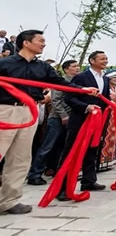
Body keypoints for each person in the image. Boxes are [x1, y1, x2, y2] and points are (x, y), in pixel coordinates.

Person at [0, 30, 96, 214]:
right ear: (26, 43)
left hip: (30, 112)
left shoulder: (43, 67)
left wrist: (83, 89)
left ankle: (9, 201)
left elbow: (60, 82)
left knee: (20, 158)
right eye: (40, 40)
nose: (44, 44)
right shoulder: (4, 64)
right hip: (5, 110)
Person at [56, 51, 111, 201]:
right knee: (71, 152)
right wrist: (86, 107)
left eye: (106, 58)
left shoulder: (105, 79)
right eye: (102, 58)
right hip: (80, 120)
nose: (105, 61)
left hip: (96, 121)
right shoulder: (81, 77)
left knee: (92, 150)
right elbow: (69, 98)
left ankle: (89, 181)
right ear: (92, 60)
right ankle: (62, 188)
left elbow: (104, 98)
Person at [27, 60, 80, 185]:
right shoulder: (61, 82)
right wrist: (63, 115)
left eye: (77, 66)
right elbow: (55, 101)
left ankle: (60, 171)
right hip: (57, 118)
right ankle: (35, 174)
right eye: (74, 66)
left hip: (72, 118)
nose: (77, 68)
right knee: (47, 146)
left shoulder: (77, 82)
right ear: (66, 69)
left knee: (64, 147)